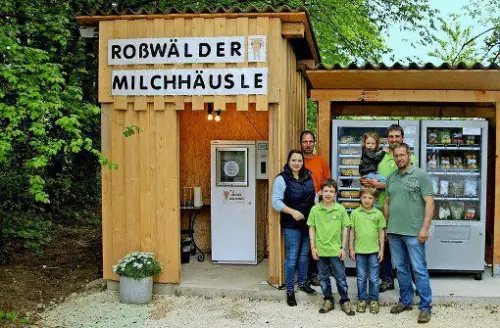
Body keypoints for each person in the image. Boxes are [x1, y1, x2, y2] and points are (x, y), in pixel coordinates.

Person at [361, 124, 418, 293]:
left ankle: (415, 283)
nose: (394, 140)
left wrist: (381, 184)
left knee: (408, 247)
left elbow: (409, 182)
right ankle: (387, 280)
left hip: (403, 209)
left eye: (397, 137)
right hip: (380, 206)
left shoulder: (410, 158)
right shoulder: (380, 156)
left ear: (403, 139)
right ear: (387, 139)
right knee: (383, 244)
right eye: (391, 137)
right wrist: (367, 181)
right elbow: (369, 176)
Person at [384, 143, 434, 324]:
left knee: (419, 270)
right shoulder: (391, 177)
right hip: (394, 232)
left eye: (402, 155)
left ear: (409, 154)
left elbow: (429, 203)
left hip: (414, 232)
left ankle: (425, 307)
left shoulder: (421, 175)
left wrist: (425, 228)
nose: (399, 158)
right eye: (396, 156)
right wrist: (386, 228)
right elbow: (387, 203)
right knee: (401, 269)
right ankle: (405, 301)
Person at [272, 149, 317, 306]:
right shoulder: (282, 179)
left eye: (299, 160)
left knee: (305, 255)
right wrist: (292, 212)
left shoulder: (308, 175)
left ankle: (303, 283)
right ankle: (290, 290)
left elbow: (314, 196)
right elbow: (276, 202)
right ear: (288, 161)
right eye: (294, 160)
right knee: (292, 256)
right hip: (291, 223)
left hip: (308, 222)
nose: (297, 163)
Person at [307, 179, 355, 315]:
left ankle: (345, 301)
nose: (328, 194)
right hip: (321, 251)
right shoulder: (315, 210)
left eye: (331, 191)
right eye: (326, 191)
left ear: (335, 193)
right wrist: (313, 247)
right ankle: (328, 300)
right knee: (323, 278)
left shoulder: (340, 209)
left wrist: (342, 248)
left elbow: (345, 228)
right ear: (321, 192)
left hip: (335, 251)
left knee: (341, 277)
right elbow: (312, 228)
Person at [300, 130, 331, 287]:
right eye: (305, 141)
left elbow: (328, 183)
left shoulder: (320, 161)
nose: (308, 144)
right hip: (301, 207)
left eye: (311, 141)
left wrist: (321, 194)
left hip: (318, 206)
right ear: (301, 143)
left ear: (314, 143)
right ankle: (304, 275)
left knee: (318, 240)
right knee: (305, 241)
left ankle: (316, 274)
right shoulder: (298, 161)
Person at [349, 188, 385, 314]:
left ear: (374, 199)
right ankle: (362, 300)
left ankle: (374, 300)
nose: (367, 200)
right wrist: (351, 248)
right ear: (360, 198)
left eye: (370, 198)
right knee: (361, 277)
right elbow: (352, 232)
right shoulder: (355, 213)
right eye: (364, 197)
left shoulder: (378, 214)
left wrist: (381, 250)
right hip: (360, 251)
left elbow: (381, 233)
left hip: (374, 251)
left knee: (374, 278)